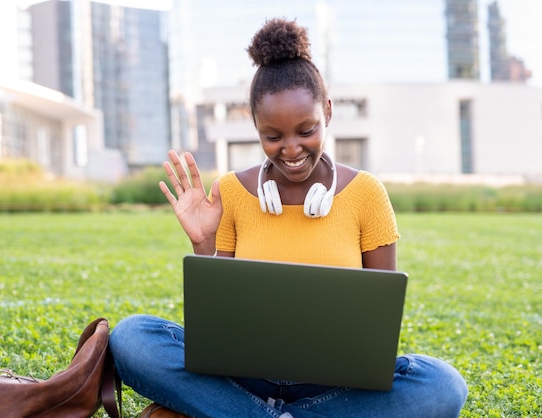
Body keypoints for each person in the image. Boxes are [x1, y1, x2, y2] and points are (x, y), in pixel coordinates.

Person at [109, 18, 468, 418]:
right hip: (245, 375)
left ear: (327, 112)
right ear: (256, 126)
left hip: (335, 381)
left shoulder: (367, 194)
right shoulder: (229, 192)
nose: (291, 149)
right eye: (273, 136)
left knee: (443, 385)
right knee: (131, 338)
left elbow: (377, 331)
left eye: (306, 130)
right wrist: (203, 245)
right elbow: (221, 327)